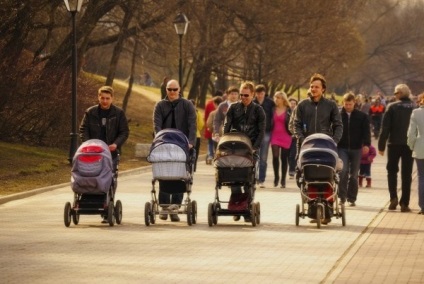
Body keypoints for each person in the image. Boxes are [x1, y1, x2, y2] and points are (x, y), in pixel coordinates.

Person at [289, 73, 343, 224]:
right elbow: (296, 124)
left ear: (323, 89)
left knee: (328, 177)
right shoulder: (302, 105)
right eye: (311, 86)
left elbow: (338, 124)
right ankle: (312, 205)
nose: (313, 89)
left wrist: (334, 141)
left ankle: (328, 207)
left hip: (326, 146)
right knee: (303, 177)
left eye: (316, 87)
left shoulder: (331, 105)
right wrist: (301, 137)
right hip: (306, 147)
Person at [79, 85, 130, 223]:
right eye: (102, 98)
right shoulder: (91, 112)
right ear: (98, 97)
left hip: (111, 152)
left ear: (112, 98)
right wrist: (89, 143)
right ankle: (88, 201)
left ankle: (107, 205)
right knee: (90, 176)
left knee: (109, 179)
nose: (105, 101)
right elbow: (83, 129)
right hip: (92, 153)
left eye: (108, 98)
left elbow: (124, 132)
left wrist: (116, 144)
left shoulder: (118, 114)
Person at [153, 79, 197, 222]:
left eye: (174, 89)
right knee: (164, 174)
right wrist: (159, 140)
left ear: (179, 90)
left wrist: (191, 142)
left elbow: (192, 124)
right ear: (166, 90)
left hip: (183, 145)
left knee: (181, 175)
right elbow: (157, 125)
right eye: (169, 89)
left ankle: (175, 206)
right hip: (165, 144)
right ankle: (164, 206)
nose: (172, 92)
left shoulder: (187, 105)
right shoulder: (160, 105)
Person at [223, 81, 266, 221]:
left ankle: (246, 207)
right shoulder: (233, 108)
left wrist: (255, 147)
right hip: (235, 147)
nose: (243, 97)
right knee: (234, 178)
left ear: (253, 94)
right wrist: (225, 144)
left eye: (246, 95)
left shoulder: (259, 111)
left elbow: (261, 131)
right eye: (241, 95)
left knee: (249, 180)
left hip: (251, 147)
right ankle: (236, 206)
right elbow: (227, 128)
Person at [378, 84, 416, 212]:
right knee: (407, 174)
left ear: (399, 93)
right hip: (409, 145)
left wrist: (381, 145)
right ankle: (405, 202)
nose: (394, 96)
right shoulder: (414, 107)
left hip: (393, 143)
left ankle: (393, 197)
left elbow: (385, 128)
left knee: (392, 171)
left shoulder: (392, 107)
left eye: (395, 93)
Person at [337, 92, 371, 206]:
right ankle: (341, 196)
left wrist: (367, 144)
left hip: (356, 148)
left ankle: (351, 198)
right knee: (343, 172)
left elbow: (366, 132)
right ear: (343, 103)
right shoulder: (338, 116)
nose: (347, 106)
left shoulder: (362, 116)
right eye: (346, 104)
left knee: (354, 175)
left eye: (350, 104)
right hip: (342, 147)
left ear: (354, 103)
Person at [253, 84, 276, 188]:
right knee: (254, 156)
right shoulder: (253, 102)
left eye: (262, 93)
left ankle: (261, 179)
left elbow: (273, 116)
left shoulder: (270, 102)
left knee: (263, 157)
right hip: (255, 132)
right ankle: (253, 177)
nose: (260, 95)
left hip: (266, 132)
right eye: (258, 93)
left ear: (264, 93)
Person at [270, 91, 292, 188]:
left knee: (284, 158)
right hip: (274, 135)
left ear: (283, 99)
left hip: (286, 136)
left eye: (278, 97)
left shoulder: (289, 110)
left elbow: (293, 122)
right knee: (275, 156)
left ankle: (283, 179)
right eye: (275, 97)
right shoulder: (272, 109)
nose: (276, 99)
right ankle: (276, 177)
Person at [407, 94, 424, 214]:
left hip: (420, 148)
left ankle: (423, 205)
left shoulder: (416, 113)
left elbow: (411, 133)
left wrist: (412, 146)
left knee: (421, 177)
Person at [204, 90, 223, 164]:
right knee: (220, 147)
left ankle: (210, 156)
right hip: (223, 133)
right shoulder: (225, 112)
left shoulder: (212, 111)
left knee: (211, 144)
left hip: (214, 133)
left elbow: (208, 122)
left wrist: (210, 129)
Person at [190, 99, 204, 172]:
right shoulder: (197, 112)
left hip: (186, 136)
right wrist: (198, 128)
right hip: (196, 135)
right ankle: (194, 166)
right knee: (196, 152)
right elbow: (201, 124)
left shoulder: (185, 112)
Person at [288, 98, 298, 178]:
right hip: (286, 136)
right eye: (291, 103)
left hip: (294, 136)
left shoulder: (298, 112)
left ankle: (292, 170)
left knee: (293, 154)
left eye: (294, 103)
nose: (292, 105)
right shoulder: (286, 112)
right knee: (287, 155)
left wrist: (295, 133)